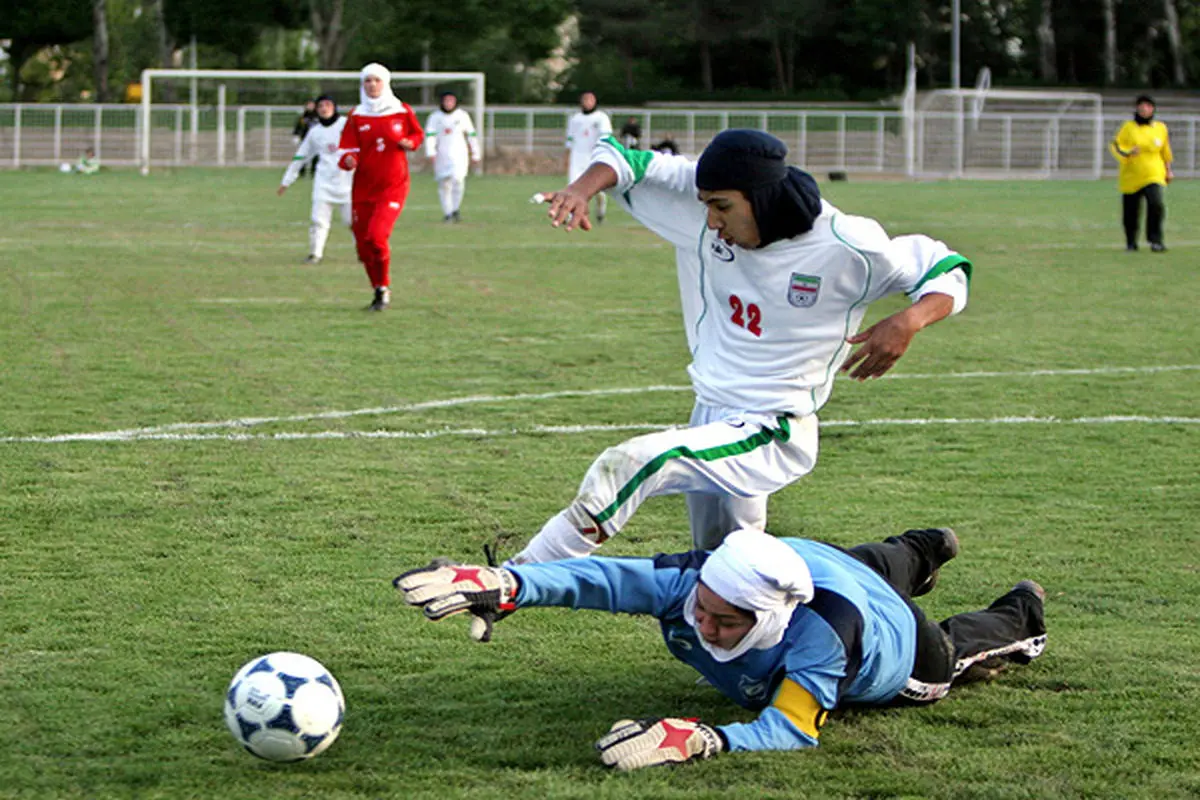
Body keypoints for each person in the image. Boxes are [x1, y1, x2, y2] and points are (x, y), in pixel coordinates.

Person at [507, 130, 971, 565]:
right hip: (711, 410)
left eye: (722, 207)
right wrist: (581, 189)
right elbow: (626, 160)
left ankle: (518, 577)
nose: (711, 221)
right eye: (706, 205)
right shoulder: (710, 202)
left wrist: (910, 320)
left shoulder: (848, 244)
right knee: (725, 567)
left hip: (772, 427)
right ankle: (901, 562)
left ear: (762, 197)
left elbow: (945, 269)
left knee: (633, 463)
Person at [395, 526, 1047, 770]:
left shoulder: (821, 638)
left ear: (769, 617)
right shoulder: (693, 582)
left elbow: (791, 729)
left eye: (723, 621)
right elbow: (599, 579)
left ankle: (1020, 610)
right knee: (869, 562)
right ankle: (922, 549)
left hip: (899, 644)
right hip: (818, 560)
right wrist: (509, 584)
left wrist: (706, 738)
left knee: (950, 654)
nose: (701, 624)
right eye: (699, 608)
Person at [337, 63, 425, 311]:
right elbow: (346, 149)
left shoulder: (401, 110)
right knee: (363, 244)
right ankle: (379, 288)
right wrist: (349, 160)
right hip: (363, 187)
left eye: (377, 80)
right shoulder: (356, 115)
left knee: (376, 237)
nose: (372, 85)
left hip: (393, 186)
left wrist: (411, 143)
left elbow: (417, 134)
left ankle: (384, 285)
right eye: (368, 81)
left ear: (385, 83)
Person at [277, 95, 352, 264]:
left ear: (335, 107)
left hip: (347, 182)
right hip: (323, 182)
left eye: (328, 105)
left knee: (352, 222)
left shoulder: (347, 125)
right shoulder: (315, 132)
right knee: (318, 219)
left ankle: (364, 252)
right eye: (321, 106)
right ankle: (315, 254)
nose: (324, 109)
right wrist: (287, 180)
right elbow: (301, 156)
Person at [1109, 95, 1173, 252]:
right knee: (1131, 210)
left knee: (1156, 204)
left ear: (1153, 109)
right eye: (1142, 106)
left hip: (1153, 173)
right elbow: (1116, 145)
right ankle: (1131, 242)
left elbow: (1165, 151)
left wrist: (1168, 170)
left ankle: (1155, 240)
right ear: (1137, 108)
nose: (1145, 109)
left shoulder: (1160, 128)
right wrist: (1128, 152)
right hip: (1132, 175)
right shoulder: (1128, 127)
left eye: (1148, 106)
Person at [424, 90, 482, 223]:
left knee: (458, 180)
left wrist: (475, 152)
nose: (449, 103)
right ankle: (448, 212)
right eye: (446, 101)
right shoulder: (435, 117)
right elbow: (430, 135)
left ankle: (456, 208)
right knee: (444, 183)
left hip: (459, 154)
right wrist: (430, 151)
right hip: (442, 154)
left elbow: (471, 134)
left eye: (451, 101)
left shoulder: (462, 116)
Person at [564, 91, 613, 224]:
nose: (587, 102)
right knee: (573, 186)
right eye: (585, 99)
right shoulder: (575, 119)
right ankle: (571, 216)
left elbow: (606, 138)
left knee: (598, 189)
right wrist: (566, 157)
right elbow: (569, 140)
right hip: (577, 158)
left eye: (590, 100)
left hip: (594, 157)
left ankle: (600, 210)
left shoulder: (601, 118)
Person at [292, 100, 319, 179]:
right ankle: (301, 172)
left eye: (312, 105)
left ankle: (314, 173)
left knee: (315, 157)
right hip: (305, 139)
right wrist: (296, 135)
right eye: (309, 105)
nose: (310, 106)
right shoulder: (302, 116)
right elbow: (298, 126)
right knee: (302, 156)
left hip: (316, 139)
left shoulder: (318, 116)